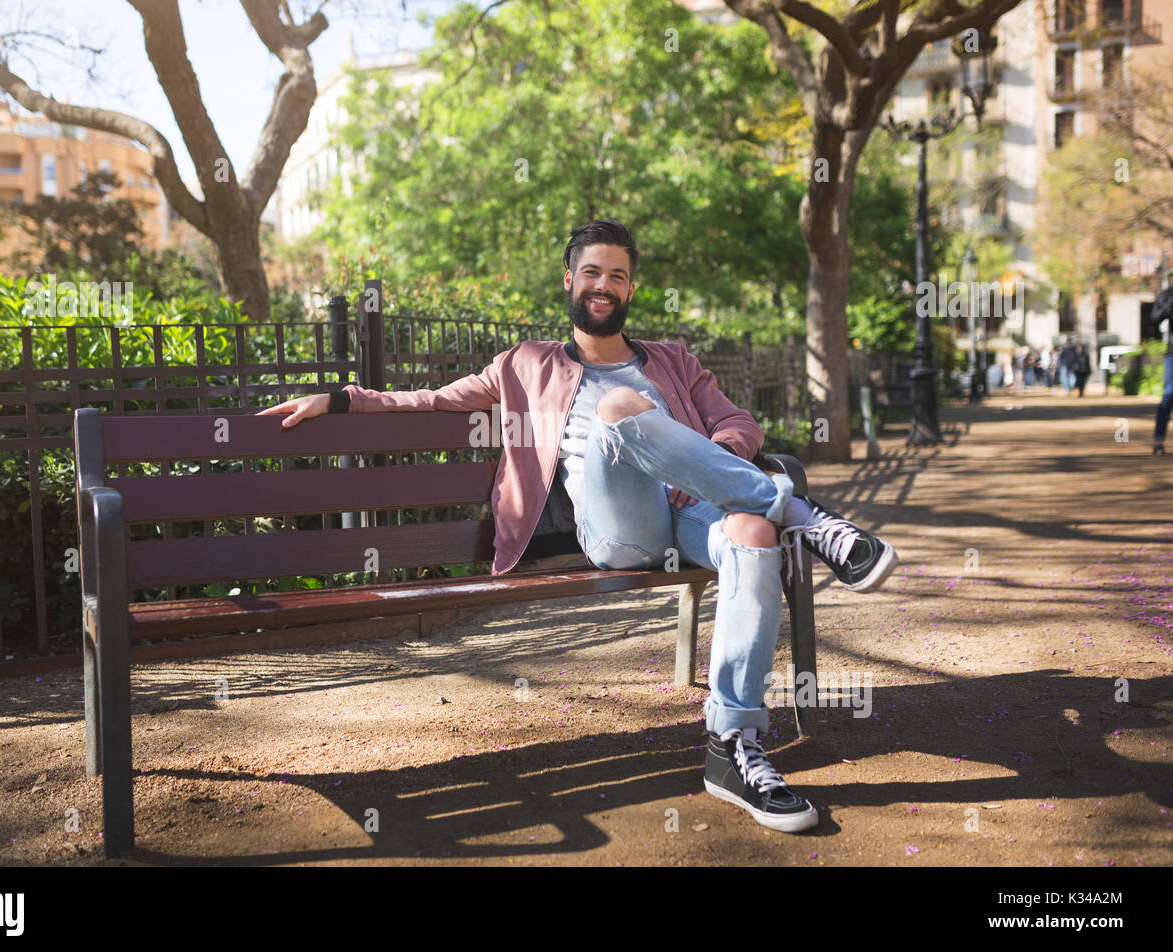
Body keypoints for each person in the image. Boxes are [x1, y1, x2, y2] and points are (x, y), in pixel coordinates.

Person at [259, 220, 898, 834]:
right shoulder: (524, 364)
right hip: (621, 530)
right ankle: (805, 517)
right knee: (624, 408)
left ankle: (732, 745)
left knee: (753, 537)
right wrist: (341, 397)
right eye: (591, 271)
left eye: (617, 276)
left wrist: (718, 457)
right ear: (569, 280)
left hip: (693, 511)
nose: (603, 284)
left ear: (630, 289)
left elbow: (739, 425)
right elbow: (427, 401)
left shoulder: (674, 360)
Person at [1152, 287, 1173, 455]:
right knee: (1168, 394)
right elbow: (1156, 316)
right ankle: (1158, 441)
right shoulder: (1167, 294)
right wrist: (1170, 303)